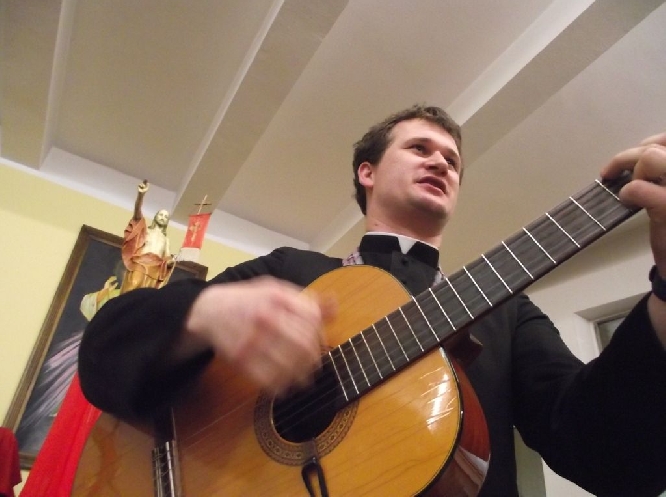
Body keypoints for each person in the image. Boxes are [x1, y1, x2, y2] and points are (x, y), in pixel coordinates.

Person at [78, 105, 666, 496]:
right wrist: (200, 314)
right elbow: (103, 355)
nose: (441, 162)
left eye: (453, 161)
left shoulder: (508, 312)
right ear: (367, 172)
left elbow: (615, 460)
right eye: (420, 148)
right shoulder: (289, 270)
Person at [120, 180, 175, 293]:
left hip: (155, 269)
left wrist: (171, 261)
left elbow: (167, 256)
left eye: (166, 217)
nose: (163, 217)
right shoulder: (146, 231)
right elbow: (137, 215)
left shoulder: (165, 239)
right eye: (161, 214)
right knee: (132, 287)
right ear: (155, 216)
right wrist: (141, 195)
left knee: (146, 295)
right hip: (141, 263)